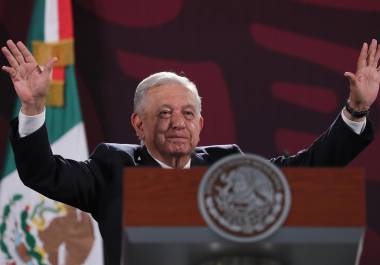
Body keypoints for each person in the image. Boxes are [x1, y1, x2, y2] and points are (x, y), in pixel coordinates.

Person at [1, 39, 379, 264]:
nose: (177, 122)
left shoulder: (225, 166)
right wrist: (34, 108)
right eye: (163, 113)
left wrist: (356, 111)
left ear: (201, 124)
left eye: (187, 113)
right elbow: (42, 172)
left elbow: (305, 170)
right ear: (138, 125)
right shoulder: (112, 166)